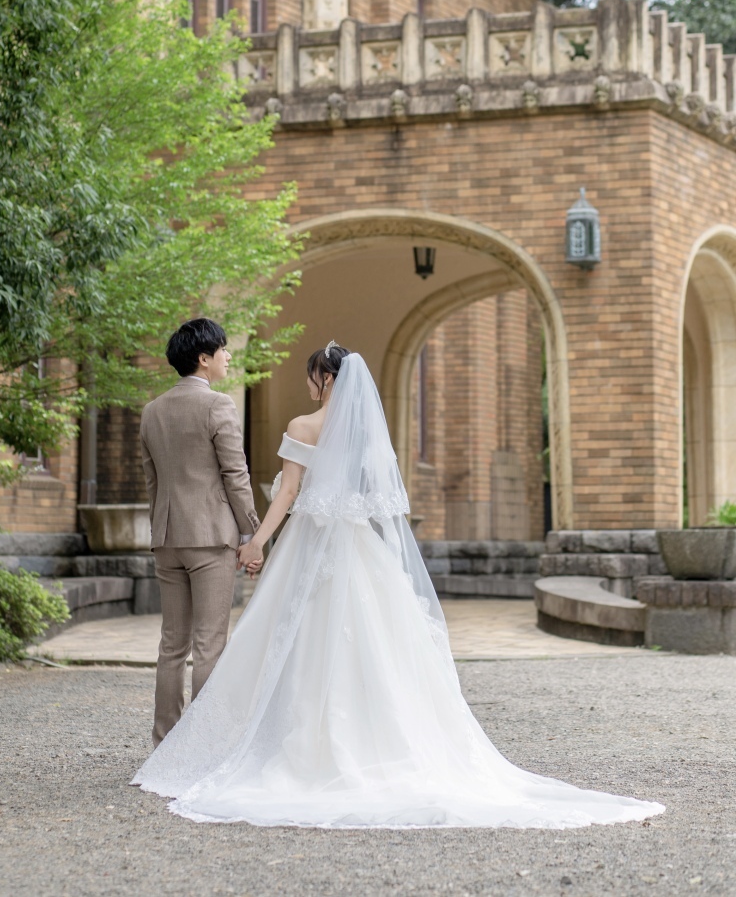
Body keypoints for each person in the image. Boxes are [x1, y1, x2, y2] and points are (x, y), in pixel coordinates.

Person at [133, 344, 665, 829]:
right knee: (375, 646)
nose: (309, 384)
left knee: (296, 641)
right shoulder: (366, 435)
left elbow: (288, 493)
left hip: (310, 546)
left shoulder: (303, 425)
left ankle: (284, 744)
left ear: (326, 379)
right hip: (361, 549)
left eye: (313, 376)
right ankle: (381, 744)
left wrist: (257, 542)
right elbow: (379, 502)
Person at [139, 317, 261, 749]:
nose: (228, 356)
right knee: (210, 644)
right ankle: (203, 748)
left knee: (172, 645)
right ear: (204, 358)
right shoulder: (217, 405)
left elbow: (152, 482)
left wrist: (161, 528)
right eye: (223, 349)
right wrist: (252, 534)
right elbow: (235, 474)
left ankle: (164, 745)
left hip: (167, 538)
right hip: (211, 538)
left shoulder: (152, 410)